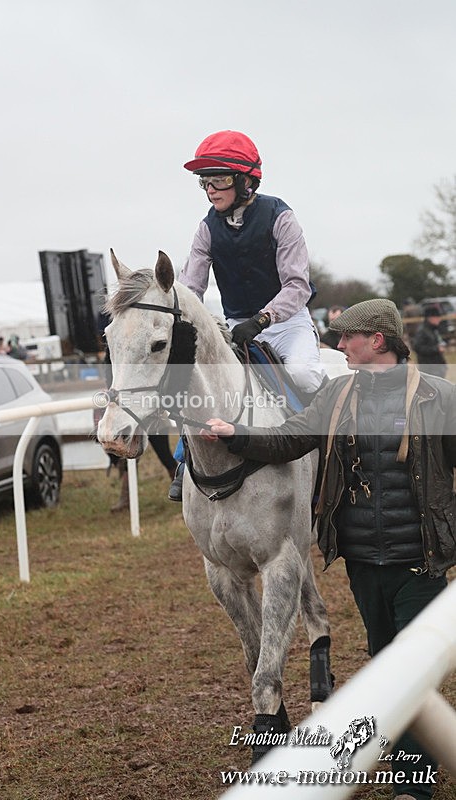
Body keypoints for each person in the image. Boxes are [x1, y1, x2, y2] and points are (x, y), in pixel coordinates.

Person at [204, 299, 455, 800]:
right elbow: (290, 441)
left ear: (377, 341)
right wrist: (238, 436)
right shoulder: (336, 394)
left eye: (347, 338)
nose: (338, 346)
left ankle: (412, 784)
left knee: (408, 668)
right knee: (386, 659)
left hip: (420, 558)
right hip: (362, 559)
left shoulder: (439, 396)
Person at [169, 129, 326, 500]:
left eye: (219, 180)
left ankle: (334, 455)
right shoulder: (206, 228)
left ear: (246, 180)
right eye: (204, 182)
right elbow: (191, 286)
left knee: (303, 376)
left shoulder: (280, 217)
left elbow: (297, 286)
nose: (211, 190)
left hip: (287, 323)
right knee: (201, 386)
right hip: (237, 327)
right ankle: (182, 460)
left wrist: (262, 320)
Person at [412, 305, 448, 378]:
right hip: (429, 368)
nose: (439, 319)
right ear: (430, 318)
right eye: (437, 317)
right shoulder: (422, 331)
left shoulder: (434, 330)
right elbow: (417, 348)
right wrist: (436, 349)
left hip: (437, 367)